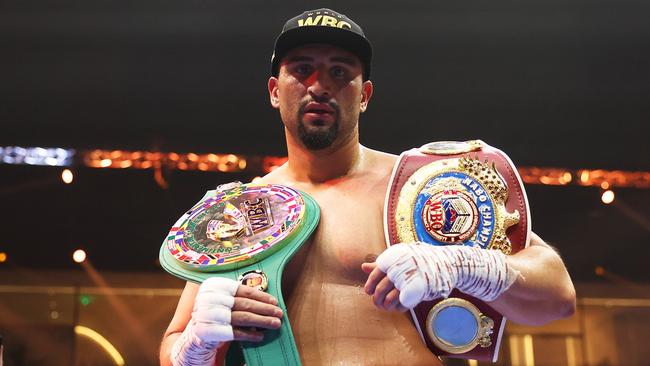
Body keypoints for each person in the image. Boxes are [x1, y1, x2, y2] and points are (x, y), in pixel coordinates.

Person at [159, 8, 576, 366]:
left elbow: (557, 297)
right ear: (274, 91)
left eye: (340, 71)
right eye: (302, 69)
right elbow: (173, 345)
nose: (319, 85)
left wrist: (465, 266)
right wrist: (200, 341)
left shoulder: (419, 189)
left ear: (364, 95)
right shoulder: (236, 214)